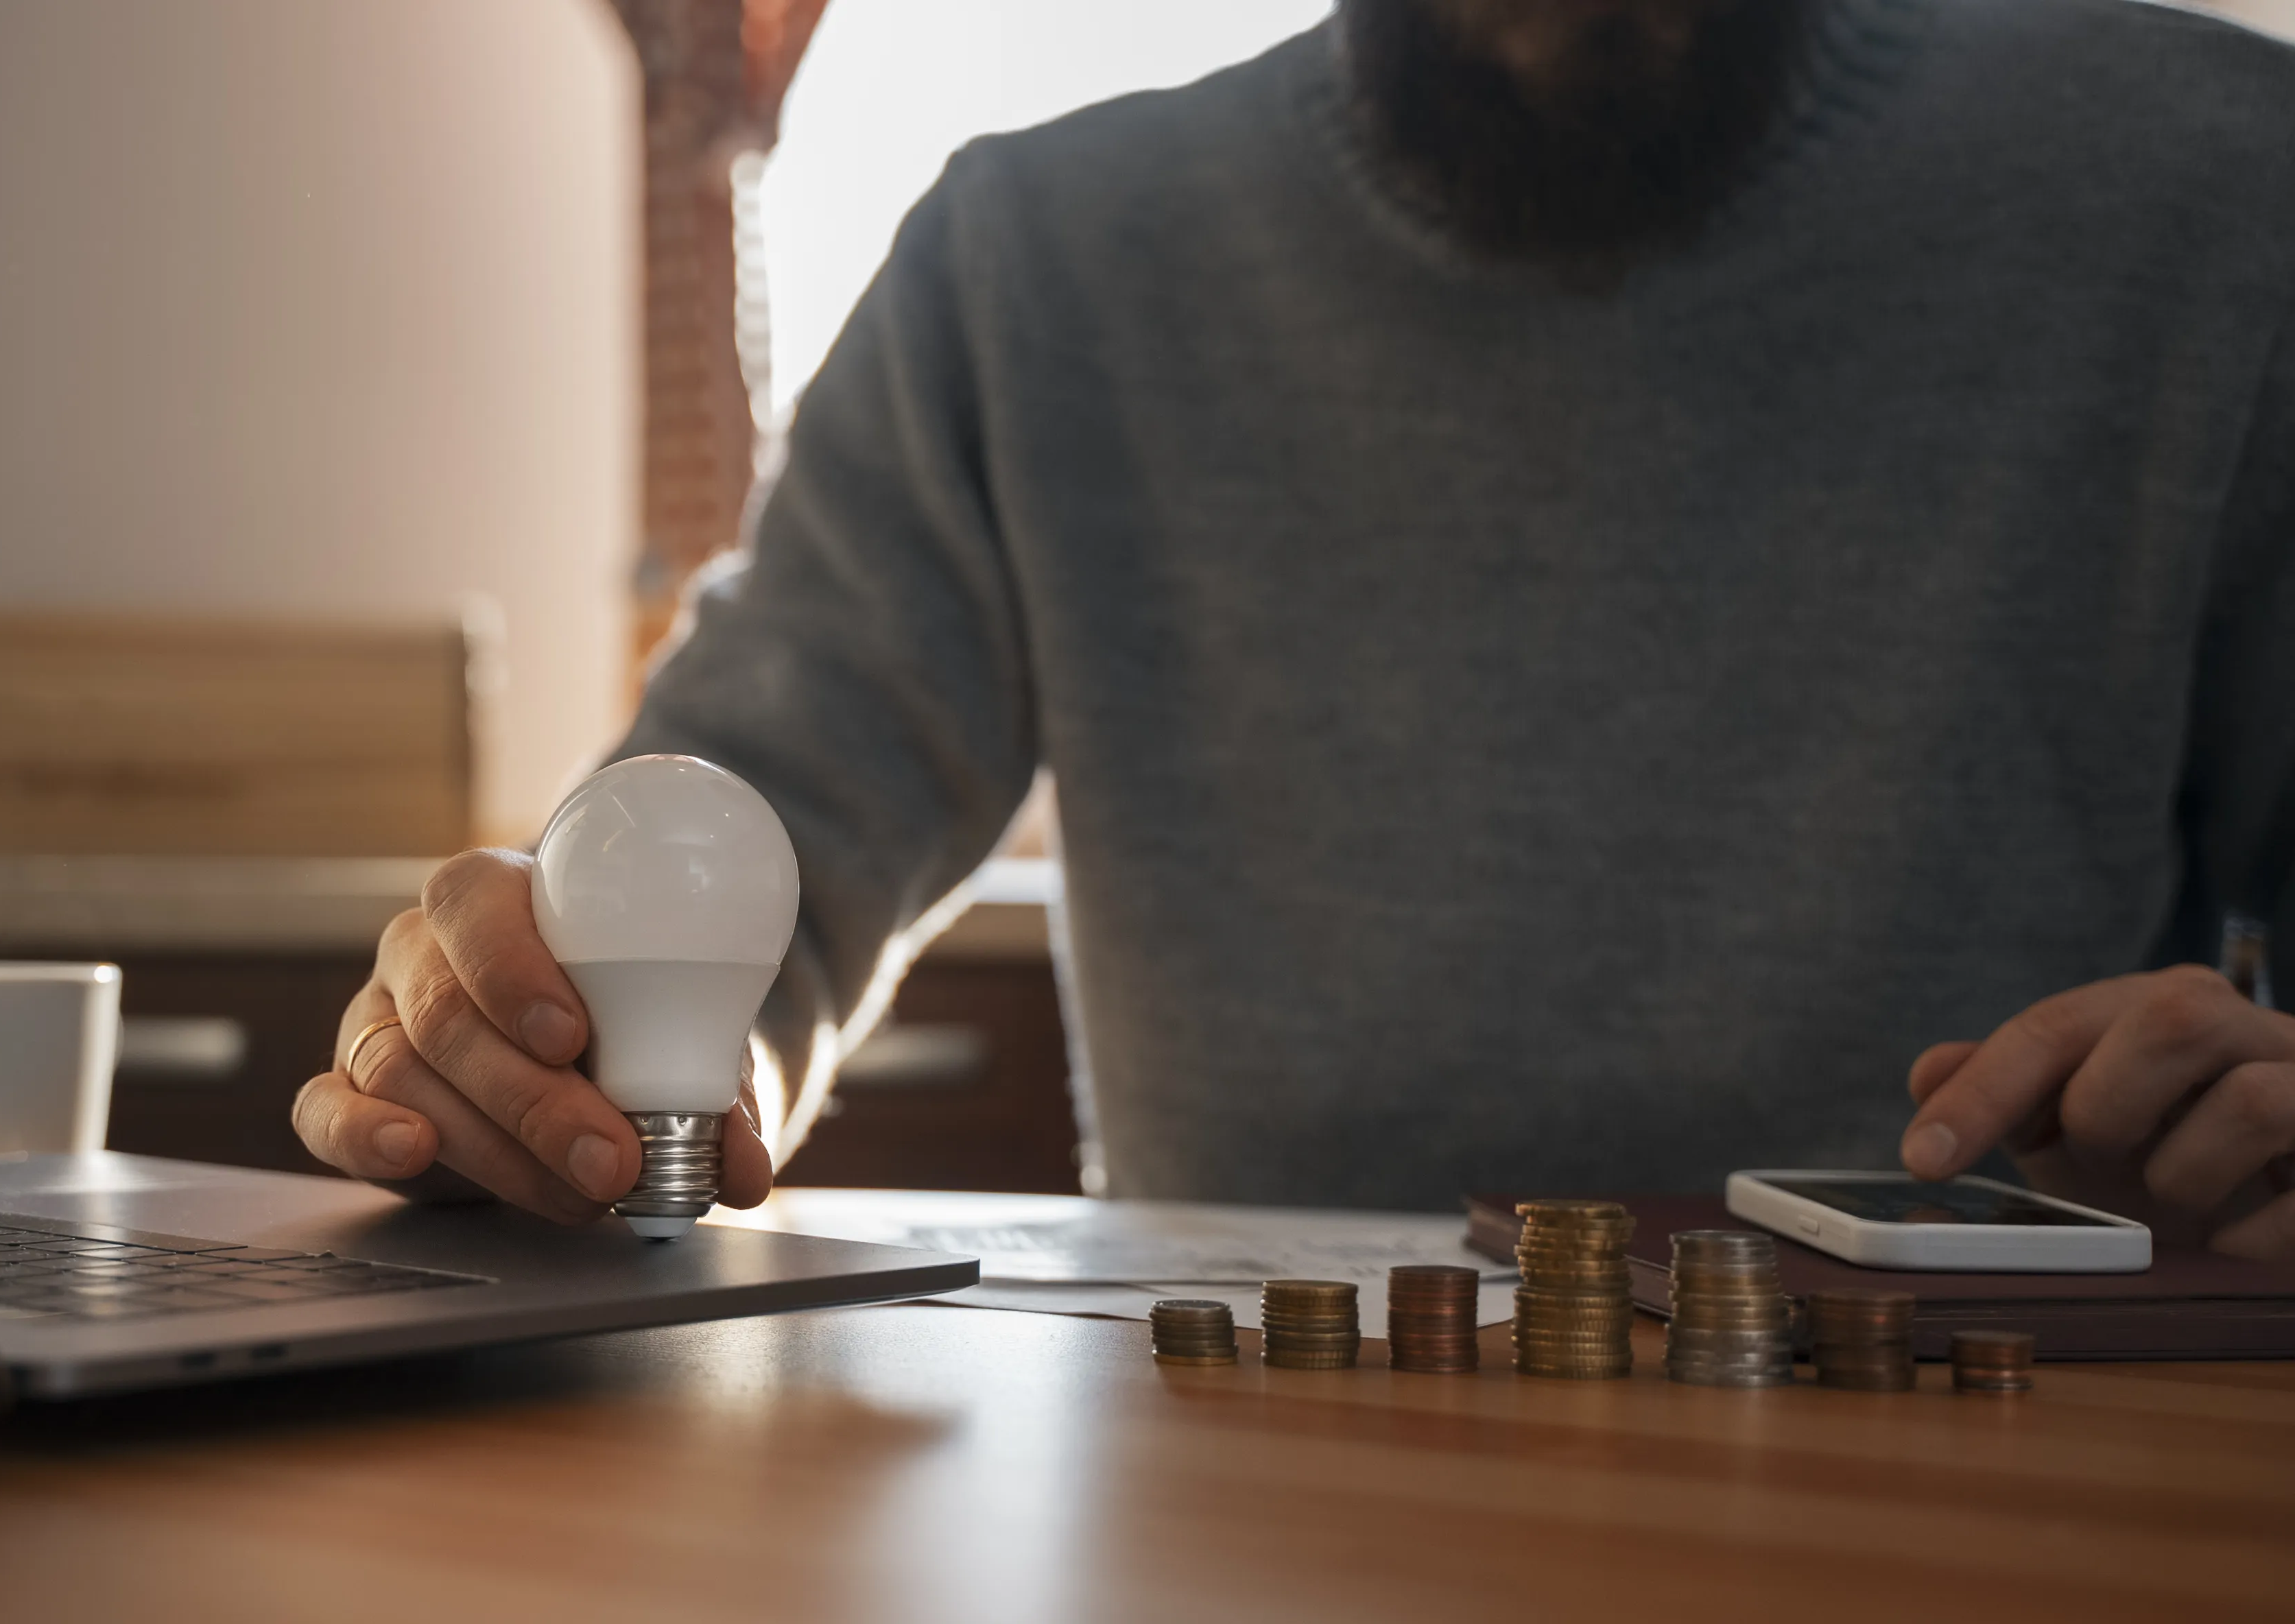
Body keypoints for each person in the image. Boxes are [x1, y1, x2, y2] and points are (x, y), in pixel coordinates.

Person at [292, 0, 2295, 1256]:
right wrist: (530, 1047)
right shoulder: (1033, 261)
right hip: (1235, 1486)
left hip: (2033, 1467)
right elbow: (750, 839)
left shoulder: (2215, 196)